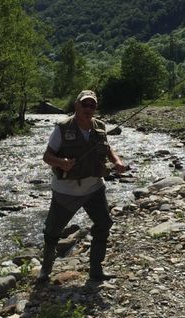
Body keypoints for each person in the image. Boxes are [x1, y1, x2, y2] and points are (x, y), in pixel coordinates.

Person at [39, 90, 127, 284]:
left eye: (92, 105)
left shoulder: (100, 126)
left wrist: (118, 161)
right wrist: (61, 162)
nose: (88, 108)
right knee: (52, 232)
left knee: (104, 225)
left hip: (94, 188)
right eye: (84, 104)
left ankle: (96, 270)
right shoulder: (62, 128)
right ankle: (45, 270)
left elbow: (107, 147)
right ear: (76, 106)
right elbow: (47, 156)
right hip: (66, 191)